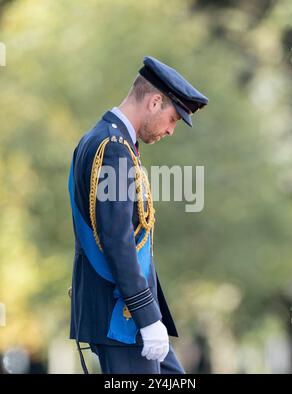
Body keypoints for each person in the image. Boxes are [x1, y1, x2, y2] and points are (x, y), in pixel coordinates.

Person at [68, 55, 208, 374]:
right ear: (155, 101)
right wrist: (146, 316)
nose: (172, 130)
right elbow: (117, 240)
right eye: (173, 119)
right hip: (122, 317)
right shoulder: (113, 148)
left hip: (126, 312)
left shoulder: (108, 140)